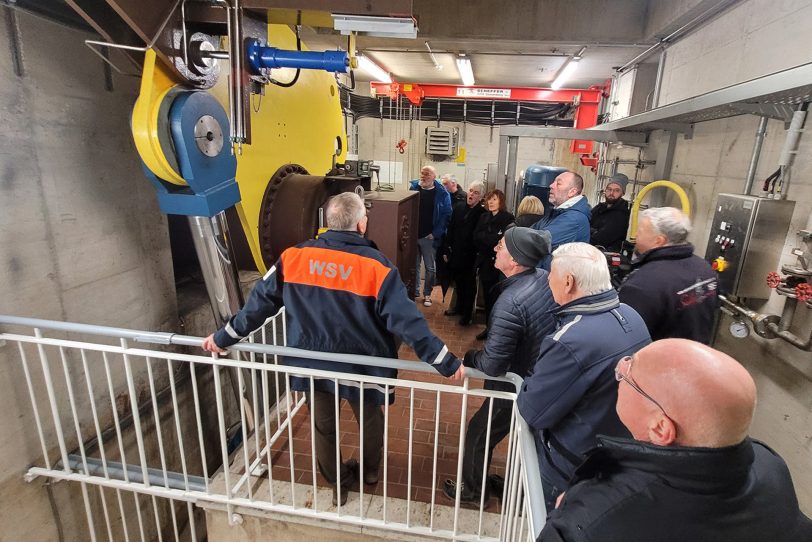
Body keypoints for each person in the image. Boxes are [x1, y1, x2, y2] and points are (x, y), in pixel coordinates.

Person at [202, 192, 463, 506]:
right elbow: (407, 322)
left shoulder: (292, 258)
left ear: (328, 222)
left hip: (312, 362)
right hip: (363, 365)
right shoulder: (377, 266)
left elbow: (257, 306)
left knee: (323, 426)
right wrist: (444, 361)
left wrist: (223, 337)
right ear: (361, 224)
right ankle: (369, 473)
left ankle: (337, 483)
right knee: (370, 420)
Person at [539, 339, 812, 542]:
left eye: (629, 376)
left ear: (660, 428)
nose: (621, 371)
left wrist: (568, 513)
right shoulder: (770, 464)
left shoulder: (597, 518)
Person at [517, 242, 651, 510]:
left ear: (568, 282)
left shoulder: (570, 340)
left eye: (551, 273)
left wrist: (527, 383)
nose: (548, 279)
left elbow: (533, 410)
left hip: (567, 464)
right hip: (611, 456)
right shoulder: (631, 316)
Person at [442, 227, 557, 505]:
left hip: (513, 386)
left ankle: (473, 493)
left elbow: (493, 363)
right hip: (536, 377)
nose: (495, 248)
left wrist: (470, 358)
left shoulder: (511, 301)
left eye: (502, 245)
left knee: (478, 434)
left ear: (516, 260)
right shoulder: (541, 279)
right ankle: (509, 485)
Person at [618, 207, 719, 344]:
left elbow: (623, 336)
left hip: (657, 360)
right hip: (696, 355)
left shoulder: (643, 284)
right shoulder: (705, 269)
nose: (635, 235)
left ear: (659, 240)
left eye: (640, 232)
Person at [472, 189, 515, 340]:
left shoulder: (508, 218)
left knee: (500, 298)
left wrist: (489, 239)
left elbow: (504, 241)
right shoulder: (483, 217)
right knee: (488, 299)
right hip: (485, 264)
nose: (490, 202)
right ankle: (489, 329)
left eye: (494, 199)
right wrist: (492, 239)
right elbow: (476, 237)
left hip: (501, 265)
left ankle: (499, 331)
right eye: (489, 199)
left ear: (501, 201)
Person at [443, 180, 486, 325]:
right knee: (459, 283)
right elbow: (451, 229)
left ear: (481, 197)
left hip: (471, 256)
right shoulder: (459, 207)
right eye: (470, 190)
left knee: (469, 285)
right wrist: (446, 248)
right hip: (456, 252)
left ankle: (467, 314)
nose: (471, 194)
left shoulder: (482, 214)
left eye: (476, 193)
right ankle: (458, 308)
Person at [409, 165, 452, 307]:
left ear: (434, 176)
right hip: (413, 234)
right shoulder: (414, 188)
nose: (424, 176)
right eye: (422, 173)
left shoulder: (442, 193)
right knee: (413, 265)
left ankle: (427, 294)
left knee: (430, 268)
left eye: (428, 174)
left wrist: (435, 233)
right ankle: (414, 292)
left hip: (429, 237)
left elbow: (446, 214)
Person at [531, 171, 591, 260]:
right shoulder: (557, 212)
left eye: (558, 184)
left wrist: (511, 235)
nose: (551, 185)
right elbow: (531, 230)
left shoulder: (574, 219)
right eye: (553, 182)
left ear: (572, 192)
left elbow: (539, 241)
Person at [589, 173, 631, 252]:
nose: (611, 193)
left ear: (623, 193)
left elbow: (600, 239)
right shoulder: (599, 207)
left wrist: (590, 231)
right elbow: (584, 223)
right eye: (609, 189)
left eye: (617, 190)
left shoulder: (620, 215)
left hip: (604, 255)